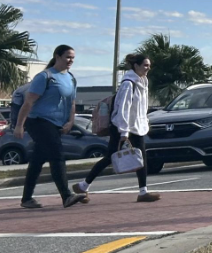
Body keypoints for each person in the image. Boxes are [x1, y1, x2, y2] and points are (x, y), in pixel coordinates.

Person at [74, 53, 159, 203]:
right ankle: (83, 185)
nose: (148, 68)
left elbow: (141, 107)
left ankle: (143, 192)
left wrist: (144, 122)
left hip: (137, 127)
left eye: (149, 66)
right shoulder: (128, 84)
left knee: (141, 157)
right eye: (145, 65)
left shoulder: (142, 82)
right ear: (136, 66)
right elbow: (123, 109)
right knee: (109, 158)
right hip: (123, 127)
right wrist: (124, 132)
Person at [15, 45, 87, 209]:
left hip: (56, 124)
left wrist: (70, 121)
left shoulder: (70, 78)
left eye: (73, 58)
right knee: (57, 155)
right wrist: (19, 125)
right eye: (67, 57)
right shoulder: (45, 77)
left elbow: (72, 103)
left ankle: (26, 199)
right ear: (57, 56)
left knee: (37, 160)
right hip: (38, 121)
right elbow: (28, 102)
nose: (70, 61)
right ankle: (66, 196)